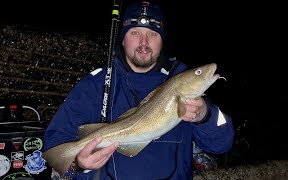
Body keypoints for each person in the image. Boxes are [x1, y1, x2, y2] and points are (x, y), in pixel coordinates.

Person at [43, 1, 234, 179]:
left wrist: (205, 116)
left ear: (162, 41)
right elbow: (56, 142)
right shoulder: (95, 84)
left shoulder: (181, 84)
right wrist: (78, 163)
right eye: (135, 32)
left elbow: (221, 144)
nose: (144, 42)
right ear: (123, 40)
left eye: (152, 34)